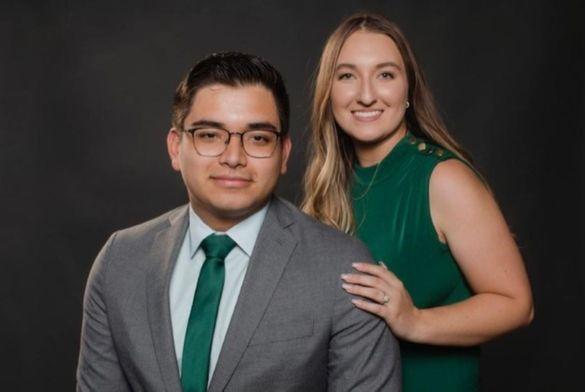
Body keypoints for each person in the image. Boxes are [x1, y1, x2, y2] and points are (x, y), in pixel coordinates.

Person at [76, 52, 401, 391]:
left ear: (284, 154)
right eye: (209, 135)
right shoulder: (120, 260)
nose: (233, 157)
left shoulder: (343, 268)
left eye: (258, 138)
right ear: (176, 147)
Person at [302, 13, 534, 391]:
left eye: (385, 74)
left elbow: (516, 304)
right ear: (328, 92)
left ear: (408, 90)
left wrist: (414, 321)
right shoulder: (330, 184)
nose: (365, 94)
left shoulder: (443, 178)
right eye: (347, 75)